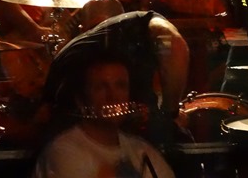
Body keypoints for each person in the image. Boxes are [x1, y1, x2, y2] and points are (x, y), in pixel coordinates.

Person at [42, 0, 191, 151]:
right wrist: (171, 113)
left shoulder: (66, 56)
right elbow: (175, 47)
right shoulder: (138, 22)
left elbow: (44, 116)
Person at [33, 50, 177, 178]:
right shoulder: (64, 153)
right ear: (81, 100)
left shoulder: (140, 150)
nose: (113, 97)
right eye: (101, 87)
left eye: (120, 86)